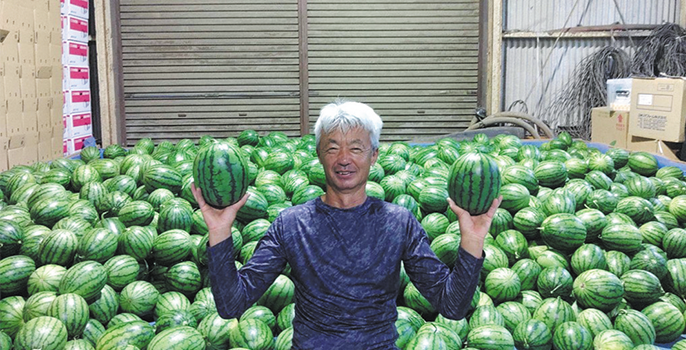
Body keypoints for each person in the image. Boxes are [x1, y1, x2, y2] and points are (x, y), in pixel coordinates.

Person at [191, 100, 499, 349]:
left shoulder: (398, 222)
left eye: (356, 147)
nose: (343, 158)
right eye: (332, 147)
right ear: (318, 154)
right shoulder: (292, 223)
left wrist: (472, 239)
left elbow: (452, 306)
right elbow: (231, 306)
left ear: (374, 155)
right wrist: (219, 231)